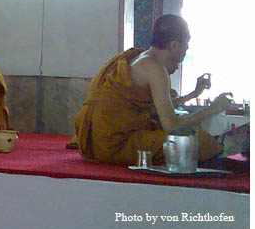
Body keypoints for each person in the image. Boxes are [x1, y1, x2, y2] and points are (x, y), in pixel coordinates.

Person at [73, 14, 232, 166]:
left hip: (101, 137)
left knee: (171, 130)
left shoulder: (141, 58)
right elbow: (172, 125)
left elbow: (154, 109)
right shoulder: (155, 68)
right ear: (173, 45)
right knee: (197, 142)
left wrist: (193, 94)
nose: (187, 48)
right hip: (114, 143)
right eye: (186, 43)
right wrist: (214, 108)